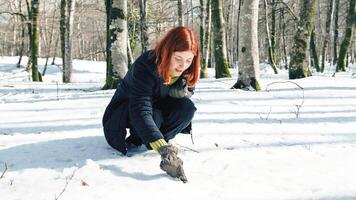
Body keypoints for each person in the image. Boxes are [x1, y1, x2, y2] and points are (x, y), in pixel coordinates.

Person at [102, 26, 200, 183]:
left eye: (189, 60)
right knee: (154, 116)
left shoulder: (187, 71)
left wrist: (179, 92)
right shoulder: (146, 65)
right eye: (178, 59)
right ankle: (145, 139)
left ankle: (154, 140)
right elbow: (141, 108)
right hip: (128, 111)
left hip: (156, 109)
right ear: (168, 52)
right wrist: (163, 149)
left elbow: (183, 97)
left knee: (187, 108)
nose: (183, 66)